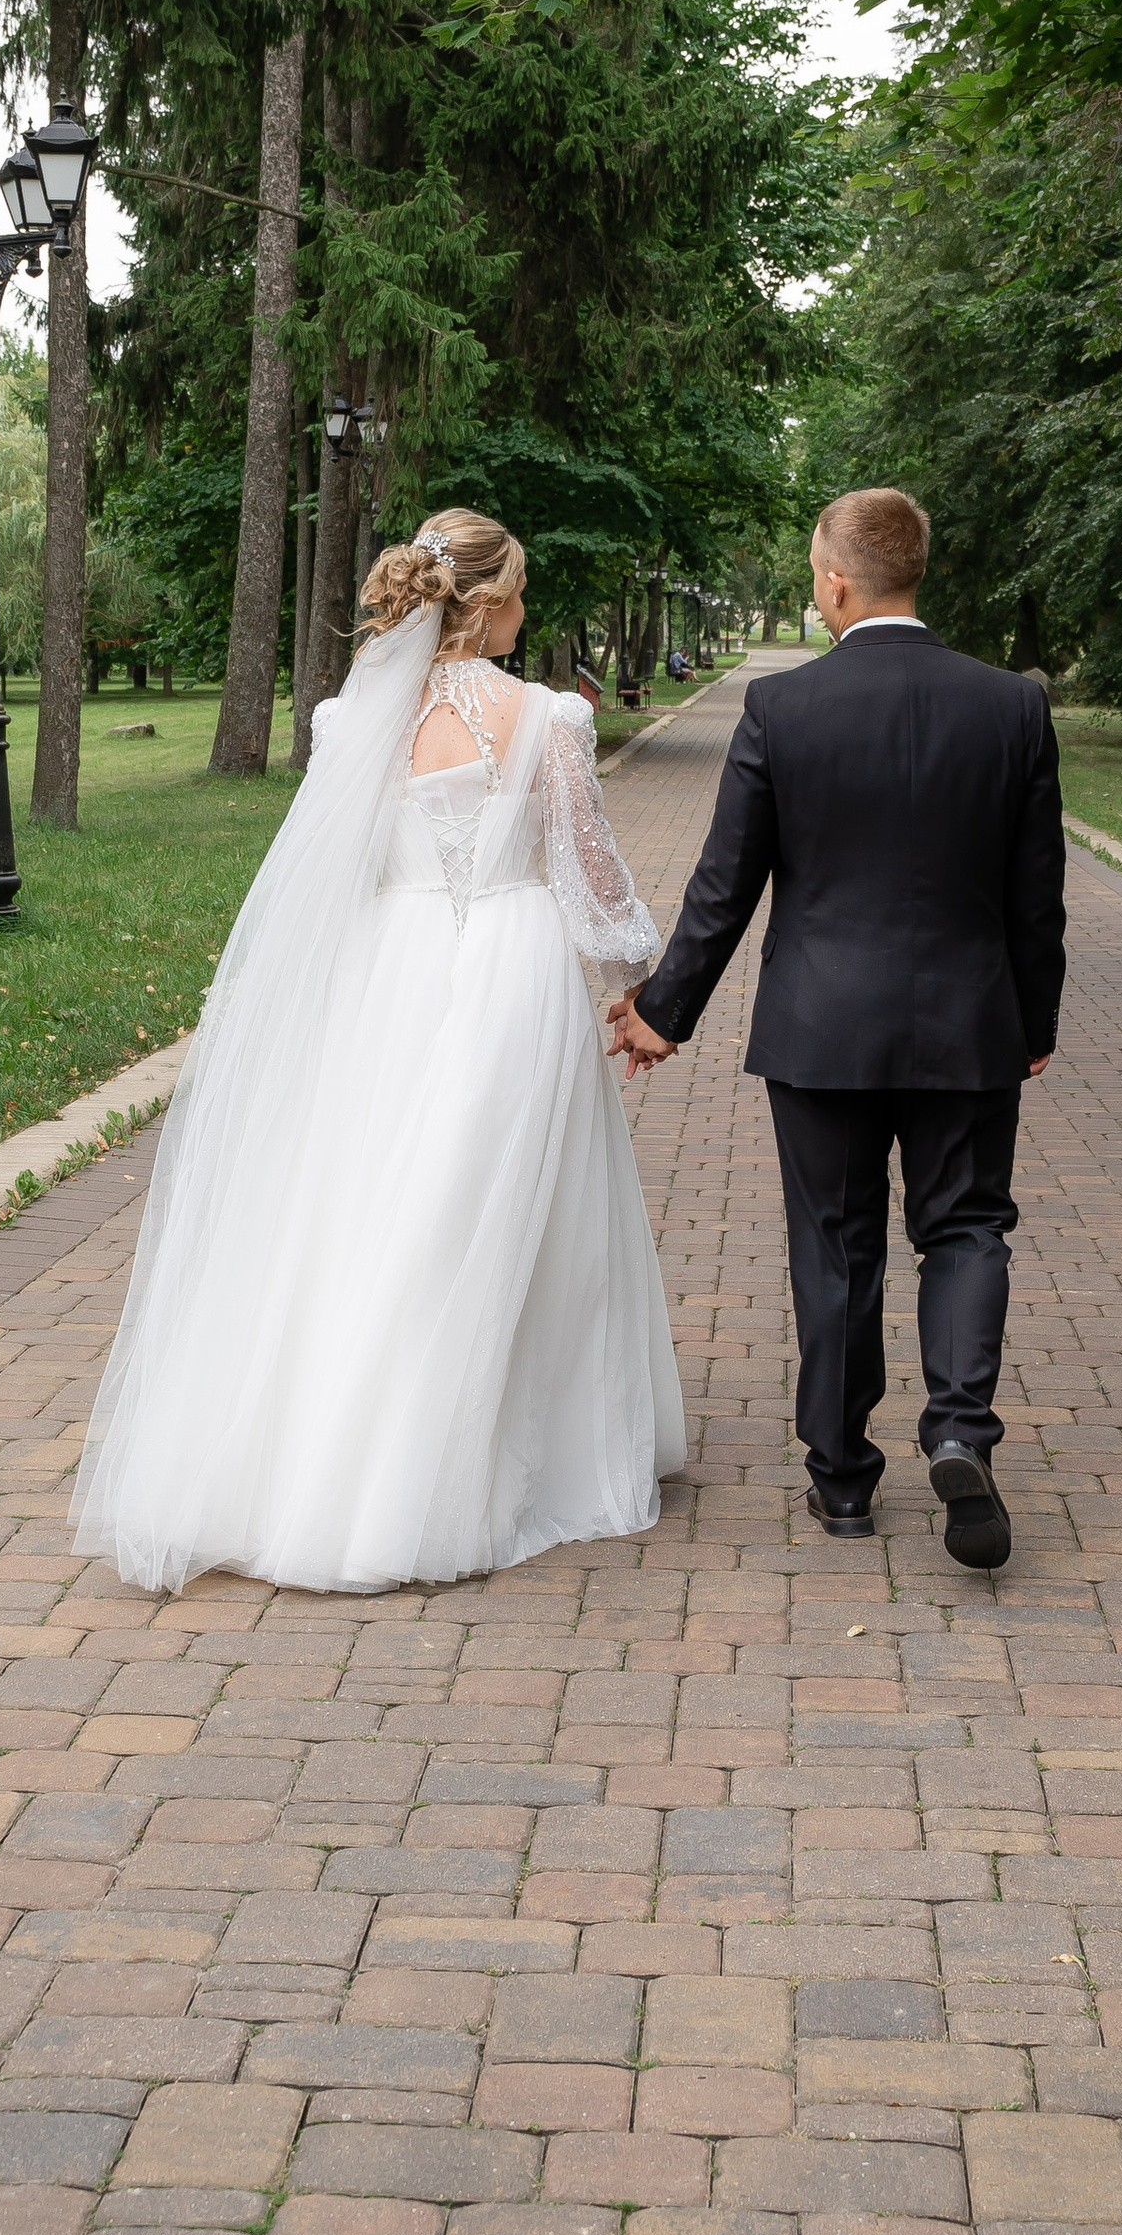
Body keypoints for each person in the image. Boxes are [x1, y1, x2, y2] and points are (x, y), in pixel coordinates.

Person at [72, 509, 685, 1595]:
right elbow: (594, 891)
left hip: (384, 970)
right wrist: (636, 979)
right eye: (522, 593)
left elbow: (326, 876)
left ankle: (336, 1462)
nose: (526, 611)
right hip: (506, 966)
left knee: (373, 1202)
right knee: (495, 1205)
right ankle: (456, 1463)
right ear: (488, 603)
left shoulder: (352, 721)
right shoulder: (543, 718)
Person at [607, 487, 1063, 1568]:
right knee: (963, 1230)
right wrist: (1030, 1021)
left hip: (821, 1030)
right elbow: (1035, 893)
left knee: (837, 1244)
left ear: (836, 582)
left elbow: (727, 885)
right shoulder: (1010, 707)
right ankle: (957, 1429)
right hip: (966, 1026)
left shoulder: (784, 710)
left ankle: (843, 1480)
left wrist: (661, 1012)